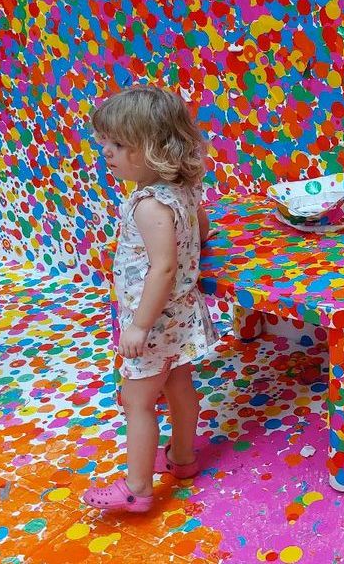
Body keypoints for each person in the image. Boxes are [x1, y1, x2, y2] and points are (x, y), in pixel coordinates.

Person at [81, 85, 220, 512]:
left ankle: (137, 489)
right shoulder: (182, 189)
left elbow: (163, 268)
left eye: (119, 144)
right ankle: (182, 458)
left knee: (137, 401)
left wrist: (139, 324)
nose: (107, 151)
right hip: (181, 315)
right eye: (106, 141)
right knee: (179, 384)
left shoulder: (147, 205)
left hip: (155, 320)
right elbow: (201, 228)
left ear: (154, 149)